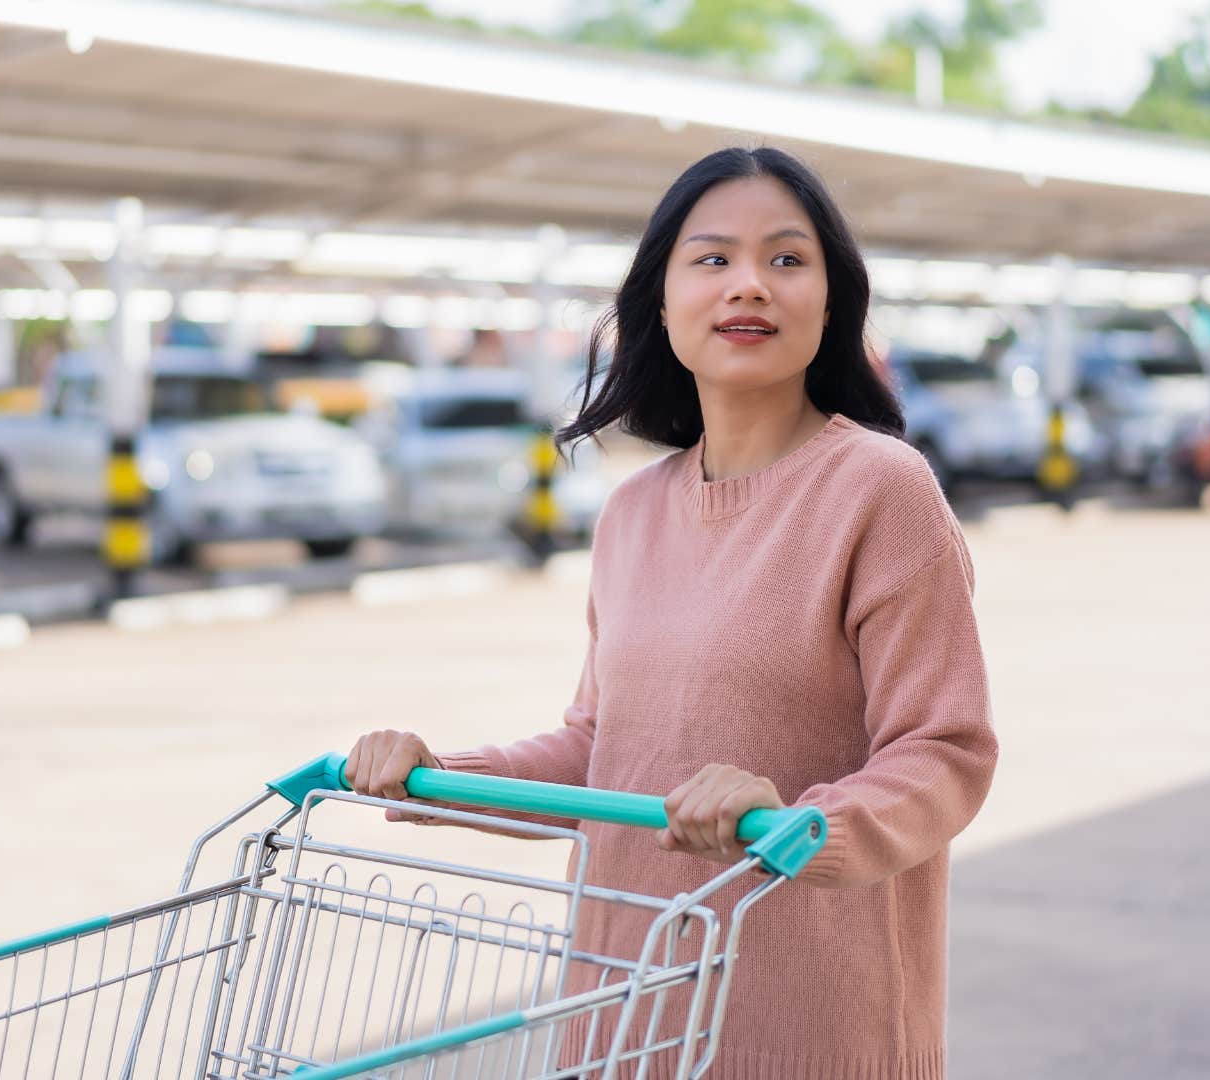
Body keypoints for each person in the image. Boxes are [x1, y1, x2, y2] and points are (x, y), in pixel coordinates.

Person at [345, 145, 997, 1079]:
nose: (749, 286)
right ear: (661, 301)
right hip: (623, 1021)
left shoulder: (880, 491)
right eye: (713, 259)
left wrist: (804, 823)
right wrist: (438, 776)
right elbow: (600, 748)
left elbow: (946, 751)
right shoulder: (633, 511)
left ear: (830, 301)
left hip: (811, 1035)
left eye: (786, 259)